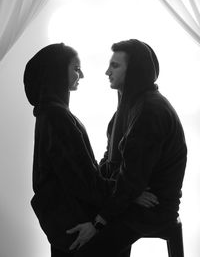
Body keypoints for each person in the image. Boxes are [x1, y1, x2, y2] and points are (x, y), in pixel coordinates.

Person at [71, 39, 187, 257]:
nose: (107, 71)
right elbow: (111, 162)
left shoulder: (150, 111)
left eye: (115, 65)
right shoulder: (129, 107)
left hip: (153, 208)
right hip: (135, 199)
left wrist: (99, 222)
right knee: (74, 216)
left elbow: (133, 177)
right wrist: (126, 190)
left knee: (82, 250)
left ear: (134, 71)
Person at [23, 43, 109, 256]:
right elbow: (82, 181)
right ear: (58, 72)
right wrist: (126, 193)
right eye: (76, 68)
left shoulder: (48, 112)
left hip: (65, 224)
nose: (83, 75)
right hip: (76, 227)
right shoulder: (57, 117)